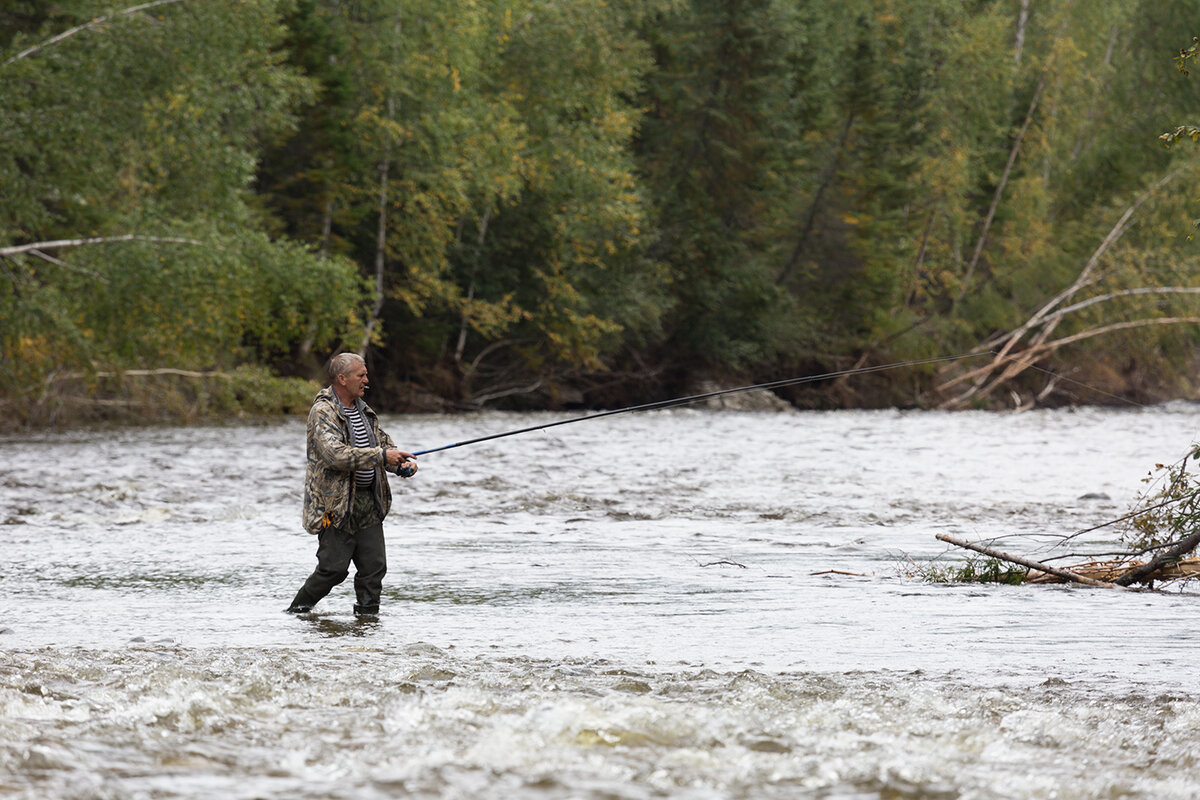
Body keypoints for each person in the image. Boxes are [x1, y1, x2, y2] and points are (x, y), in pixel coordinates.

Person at [286, 353, 417, 617]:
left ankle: (367, 621)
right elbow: (335, 455)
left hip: (369, 501)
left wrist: (400, 463)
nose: (367, 380)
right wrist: (382, 456)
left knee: (374, 567)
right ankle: (296, 613)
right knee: (332, 569)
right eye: (361, 375)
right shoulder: (322, 412)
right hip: (333, 507)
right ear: (342, 379)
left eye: (366, 374)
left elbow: (384, 445)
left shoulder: (364, 410)